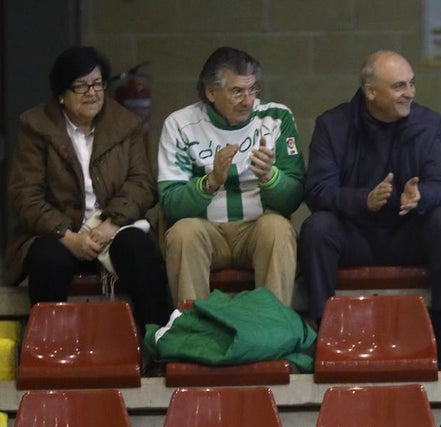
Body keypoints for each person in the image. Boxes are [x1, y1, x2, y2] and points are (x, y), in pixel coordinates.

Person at [300, 50, 441, 369]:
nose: (411, 93)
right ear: (371, 92)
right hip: (355, 236)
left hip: (407, 233)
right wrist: (364, 200)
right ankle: (325, 336)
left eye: (412, 84)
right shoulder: (332, 125)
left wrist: (421, 196)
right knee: (317, 228)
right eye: (400, 86)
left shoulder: (428, 123)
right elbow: (317, 191)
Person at [5, 45, 172, 338]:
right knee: (47, 258)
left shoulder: (125, 124)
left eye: (97, 84)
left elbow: (142, 182)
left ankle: (158, 343)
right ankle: (51, 346)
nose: (92, 93)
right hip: (59, 231)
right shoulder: (36, 127)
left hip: (110, 226)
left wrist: (111, 224)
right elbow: (25, 195)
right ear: (61, 94)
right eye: (81, 86)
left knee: (138, 248)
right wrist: (66, 236)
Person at [157, 46, 304, 307]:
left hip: (256, 230)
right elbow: (170, 203)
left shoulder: (276, 117)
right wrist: (210, 182)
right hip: (206, 232)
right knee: (182, 233)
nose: (248, 101)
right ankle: (193, 331)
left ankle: (273, 331)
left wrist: (270, 176)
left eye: (252, 90)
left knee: (279, 228)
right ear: (211, 92)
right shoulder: (179, 124)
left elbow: (294, 196)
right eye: (237, 92)